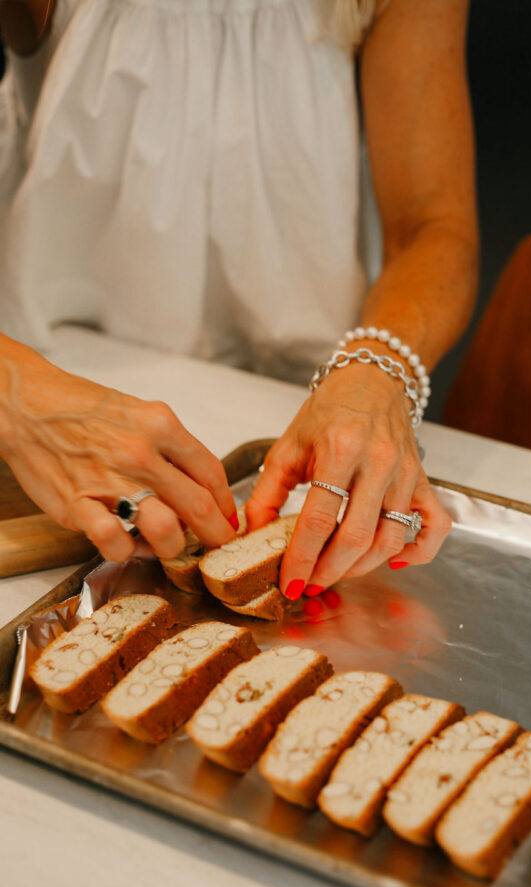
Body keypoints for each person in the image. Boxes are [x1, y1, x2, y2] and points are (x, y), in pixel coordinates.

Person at [0, 0, 478, 600]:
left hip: (299, 407)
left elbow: (434, 228)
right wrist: (17, 396)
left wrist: (377, 371)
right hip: (42, 384)